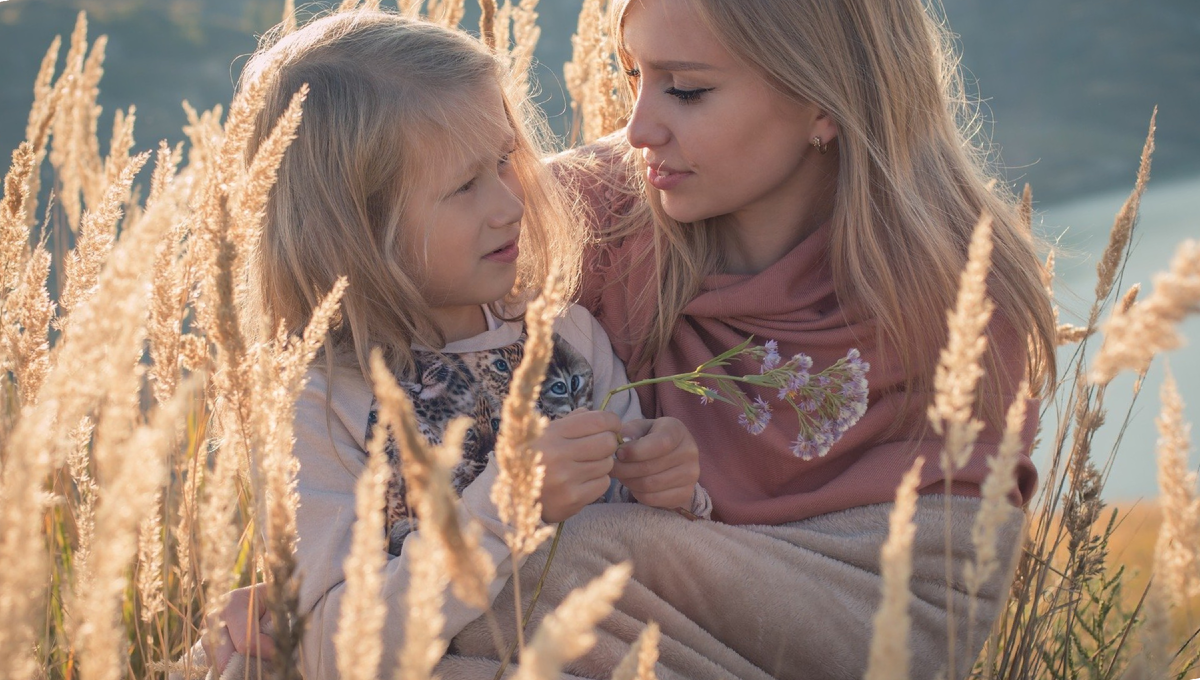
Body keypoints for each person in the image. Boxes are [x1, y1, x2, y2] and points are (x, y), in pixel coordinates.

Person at [215, 0, 1057, 676]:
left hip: (842, 597)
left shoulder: (958, 292)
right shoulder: (584, 218)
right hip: (542, 609)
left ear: (823, 103)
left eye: (685, 89)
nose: (638, 125)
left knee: (585, 556)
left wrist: (663, 494)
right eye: (631, 75)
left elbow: (938, 591)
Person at [202, 10, 712, 680]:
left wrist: (674, 489)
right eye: (464, 186)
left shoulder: (564, 338)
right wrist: (507, 504)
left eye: (505, 161)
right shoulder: (317, 403)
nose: (508, 203)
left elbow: (636, 547)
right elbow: (334, 646)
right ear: (356, 224)